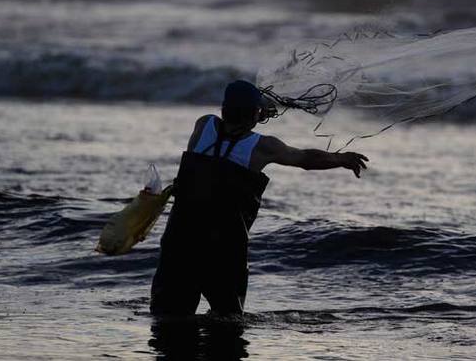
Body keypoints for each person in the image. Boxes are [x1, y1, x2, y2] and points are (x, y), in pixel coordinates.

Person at [150, 80, 368, 317]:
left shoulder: (203, 125)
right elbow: (305, 159)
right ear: (254, 112)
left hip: (180, 240)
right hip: (223, 249)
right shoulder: (263, 146)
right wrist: (342, 159)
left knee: (168, 319)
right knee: (227, 323)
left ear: (224, 108)